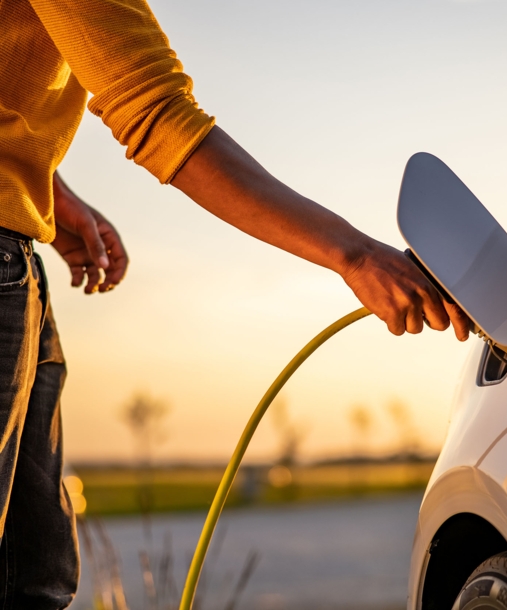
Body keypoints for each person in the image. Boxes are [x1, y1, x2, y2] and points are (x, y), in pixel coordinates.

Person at [0, 0, 470, 606]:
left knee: (32, 576)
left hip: (17, 253)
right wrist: (355, 256)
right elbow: (157, 111)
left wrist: (43, 185)